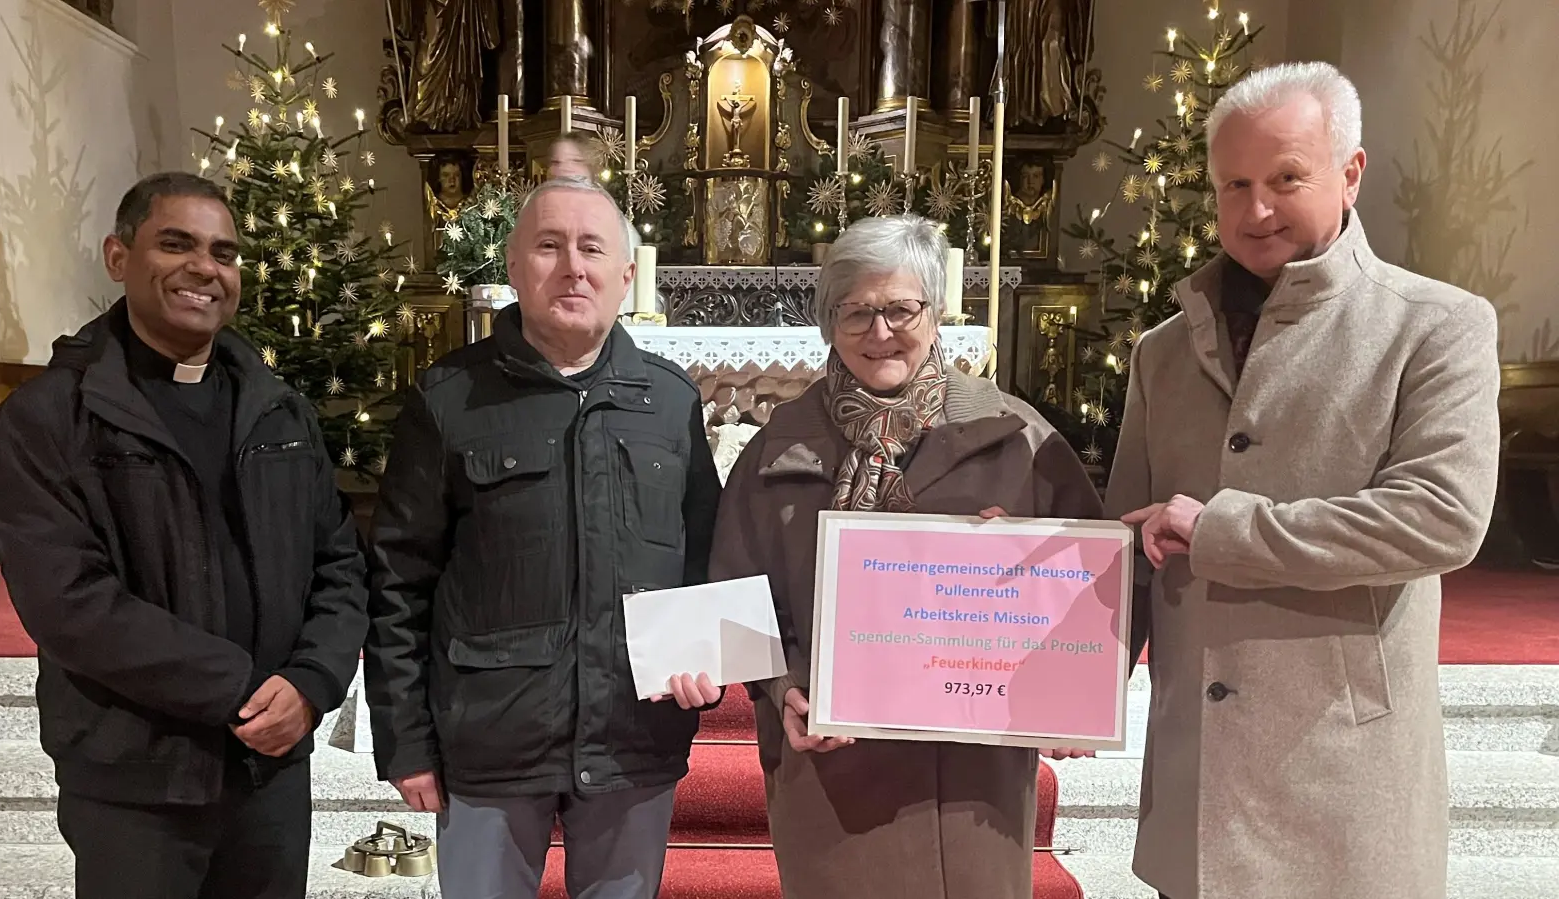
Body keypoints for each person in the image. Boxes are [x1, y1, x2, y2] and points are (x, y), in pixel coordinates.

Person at [1105, 62, 1502, 899]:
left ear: (1350, 172)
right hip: (1199, 777)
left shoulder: (1437, 326)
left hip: (1340, 775)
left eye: (1287, 178)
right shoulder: (1163, 352)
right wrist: (1062, 680)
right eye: (1233, 185)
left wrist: (1223, 532)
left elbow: (1440, 519)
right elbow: (1125, 551)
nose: (1255, 212)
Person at [0, 172, 369, 899]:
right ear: (117, 256)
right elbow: (68, 602)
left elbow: (340, 563)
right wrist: (240, 689)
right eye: (176, 244)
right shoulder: (52, 418)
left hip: (269, 772)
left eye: (224, 254)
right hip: (135, 772)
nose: (205, 268)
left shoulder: (278, 409)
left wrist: (312, 684)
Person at [709, 215, 1103, 899]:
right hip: (833, 774)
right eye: (855, 311)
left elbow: (1091, 587)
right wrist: (785, 689)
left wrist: (1073, 693)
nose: (879, 331)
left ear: (936, 311)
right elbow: (733, 597)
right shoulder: (778, 448)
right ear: (828, 321)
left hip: (972, 780)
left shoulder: (1015, 437)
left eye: (899, 308)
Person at [365, 175, 723, 899]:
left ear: (626, 275)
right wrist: (405, 741)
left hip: (634, 737)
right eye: (549, 246)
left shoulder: (670, 400)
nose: (572, 266)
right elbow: (398, 582)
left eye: (592, 248)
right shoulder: (449, 399)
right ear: (512, 265)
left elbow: (707, 559)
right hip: (489, 742)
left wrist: (704, 658)